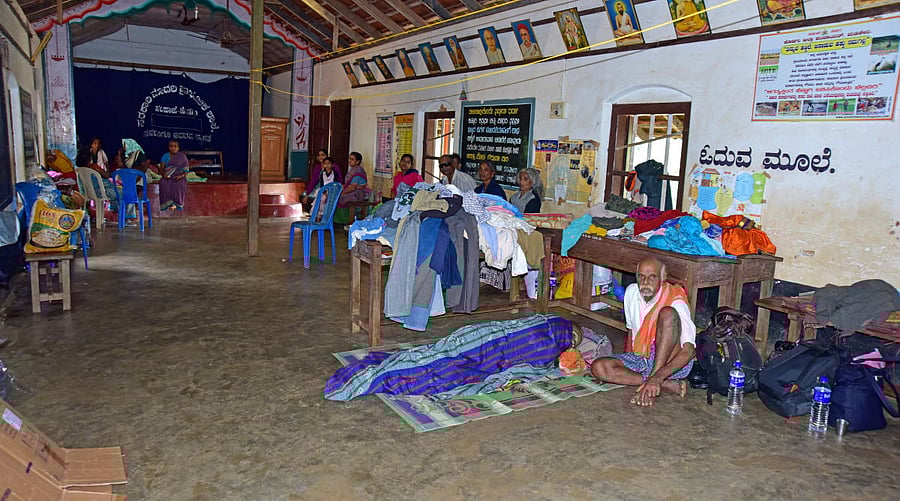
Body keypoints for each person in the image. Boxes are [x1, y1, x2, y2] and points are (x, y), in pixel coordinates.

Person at [590, 258, 696, 407]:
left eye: (652, 276)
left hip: (671, 362)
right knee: (599, 367)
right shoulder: (632, 292)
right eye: (641, 276)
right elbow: (631, 333)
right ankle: (664, 384)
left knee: (667, 314)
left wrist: (657, 377)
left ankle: (654, 382)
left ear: (663, 277)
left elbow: (689, 351)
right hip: (642, 357)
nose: (646, 282)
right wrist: (627, 361)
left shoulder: (675, 300)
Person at [158, 139, 190, 211]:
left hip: (179, 176)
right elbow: (161, 169)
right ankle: (167, 204)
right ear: (168, 147)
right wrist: (164, 175)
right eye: (171, 146)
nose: (173, 148)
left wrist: (180, 176)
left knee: (179, 184)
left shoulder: (182, 157)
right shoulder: (165, 156)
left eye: (175, 146)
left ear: (178, 148)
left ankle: (177, 204)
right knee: (163, 183)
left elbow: (186, 171)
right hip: (167, 176)